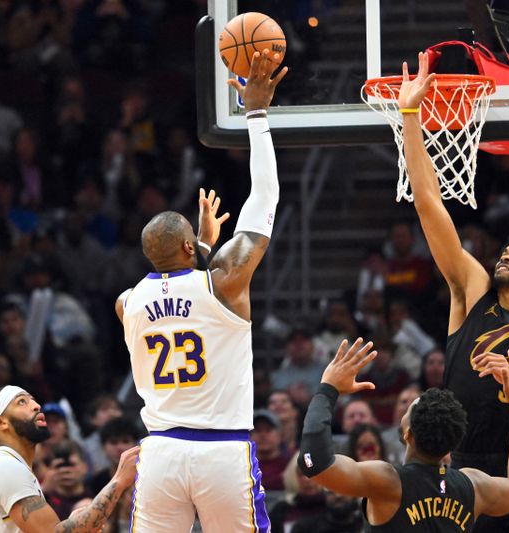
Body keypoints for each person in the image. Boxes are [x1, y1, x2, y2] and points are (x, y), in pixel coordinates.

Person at [396, 52, 509, 532]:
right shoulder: (473, 292)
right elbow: (430, 205)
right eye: (506, 250)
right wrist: (411, 117)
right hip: (466, 475)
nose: (506, 256)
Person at [114, 49, 287, 533]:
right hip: (220, 452)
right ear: (191, 246)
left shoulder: (126, 303)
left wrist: (201, 246)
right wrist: (256, 113)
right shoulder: (225, 281)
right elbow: (265, 198)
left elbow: (172, 295)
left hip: (162, 452)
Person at [298, 337, 509, 531]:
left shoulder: (388, 482)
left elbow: (313, 462)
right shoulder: (472, 486)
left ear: (407, 433)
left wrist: (327, 389)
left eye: (409, 409)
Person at [0, 385, 139, 532]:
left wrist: (73, 523)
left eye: (33, 400)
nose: (36, 406)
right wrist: (120, 480)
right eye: (22, 402)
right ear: (2, 423)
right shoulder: (4, 466)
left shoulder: (13, 466)